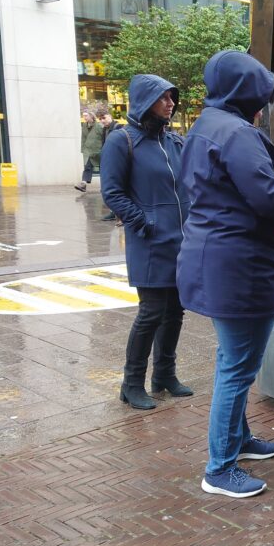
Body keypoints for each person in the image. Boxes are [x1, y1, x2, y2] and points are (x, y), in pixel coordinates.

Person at [177, 50, 274, 499]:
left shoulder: (204, 126)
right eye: (260, 94)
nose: (263, 103)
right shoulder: (236, 134)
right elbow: (268, 196)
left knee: (232, 359)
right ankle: (220, 468)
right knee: (238, 367)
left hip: (217, 260)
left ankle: (239, 441)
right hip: (240, 266)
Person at [100, 76, 192, 410]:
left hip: (180, 241)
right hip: (150, 241)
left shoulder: (173, 141)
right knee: (151, 312)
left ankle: (164, 375)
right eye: (163, 97)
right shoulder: (121, 141)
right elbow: (112, 192)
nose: (170, 103)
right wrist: (144, 221)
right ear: (144, 101)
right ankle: (132, 383)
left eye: (172, 97)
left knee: (175, 312)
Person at [96, 107, 121, 221]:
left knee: (117, 188)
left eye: (104, 118)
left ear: (110, 116)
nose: (102, 121)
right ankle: (114, 212)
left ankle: (118, 213)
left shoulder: (118, 128)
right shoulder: (104, 130)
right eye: (100, 119)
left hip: (117, 162)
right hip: (109, 161)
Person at [75, 109, 103, 193]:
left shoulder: (99, 125)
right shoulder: (84, 125)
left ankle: (105, 186)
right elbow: (83, 137)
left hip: (98, 151)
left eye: (86, 115)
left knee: (103, 169)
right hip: (88, 151)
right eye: (83, 116)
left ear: (91, 116)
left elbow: (103, 137)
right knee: (87, 167)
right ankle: (83, 184)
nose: (84, 117)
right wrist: (83, 149)